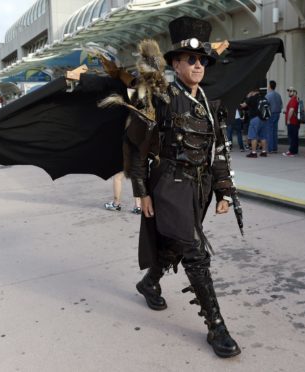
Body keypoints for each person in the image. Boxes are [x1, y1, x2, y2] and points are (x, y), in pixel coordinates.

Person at [124, 17, 241, 358]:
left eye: (202, 59)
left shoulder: (208, 103)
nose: (198, 65)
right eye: (191, 59)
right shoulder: (159, 98)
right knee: (194, 252)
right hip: (168, 185)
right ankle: (216, 327)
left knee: (176, 244)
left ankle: (149, 281)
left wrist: (223, 190)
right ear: (175, 62)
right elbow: (136, 146)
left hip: (198, 188)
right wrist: (142, 190)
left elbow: (217, 151)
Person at [242, 88, 268, 158]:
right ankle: (264, 152)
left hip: (255, 119)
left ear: (252, 92)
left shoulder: (252, 98)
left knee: (253, 136)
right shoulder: (263, 97)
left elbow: (243, 105)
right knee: (263, 136)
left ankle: (253, 153)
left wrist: (247, 97)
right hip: (264, 118)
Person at [266, 80, 283, 153]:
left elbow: (265, 106)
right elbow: (281, 105)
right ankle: (275, 148)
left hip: (271, 114)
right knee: (275, 131)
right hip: (277, 113)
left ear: (269, 86)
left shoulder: (268, 95)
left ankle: (270, 148)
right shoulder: (278, 95)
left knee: (270, 131)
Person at [283, 86, 299, 157]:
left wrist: (288, 119)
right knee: (294, 137)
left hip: (292, 121)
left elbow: (292, 110)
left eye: (290, 91)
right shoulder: (295, 99)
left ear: (294, 92)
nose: (289, 92)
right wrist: (286, 112)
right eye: (289, 91)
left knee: (292, 137)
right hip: (295, 121)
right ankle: (294, 151)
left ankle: (291, 151)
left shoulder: (293, 100)